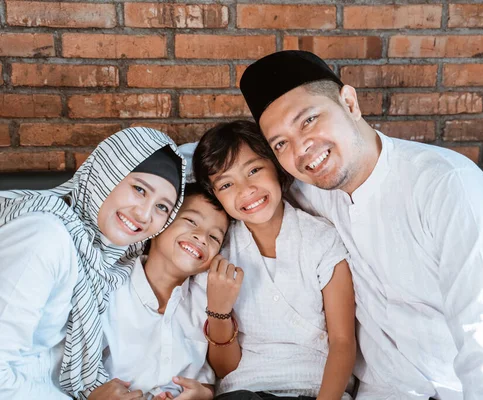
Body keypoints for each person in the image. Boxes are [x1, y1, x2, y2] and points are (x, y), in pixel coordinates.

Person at [235, 50, 483, 399]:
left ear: (349, 103)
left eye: (308, 120)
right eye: (281, 143)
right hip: (387, 389)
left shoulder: (445, 185)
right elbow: (223, 182)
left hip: (465, 387)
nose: (301, 149)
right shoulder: (311, 192)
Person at [0, 127, 186, 399]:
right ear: (105, 175)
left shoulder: (111, 264)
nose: (145, 214)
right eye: (139, 189)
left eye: (162, 207)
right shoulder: (44, 238)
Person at [192, 120, 356, 400]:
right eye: (227, 184)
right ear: (216, 196)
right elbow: (224, 367)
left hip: (316, 389)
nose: (246, 190)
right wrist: (218, 311)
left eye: (254, 170)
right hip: (245, 392)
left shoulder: (321, 239)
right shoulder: (219, 252)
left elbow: (343, 342)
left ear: (277, 166)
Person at [98, 182, 234, 400]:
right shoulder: (110, 288)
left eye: (214, 237)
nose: (201, 237)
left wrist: (203, 394)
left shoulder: (206, 303)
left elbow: (207, 380)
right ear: (159, 225)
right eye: (191, 221)